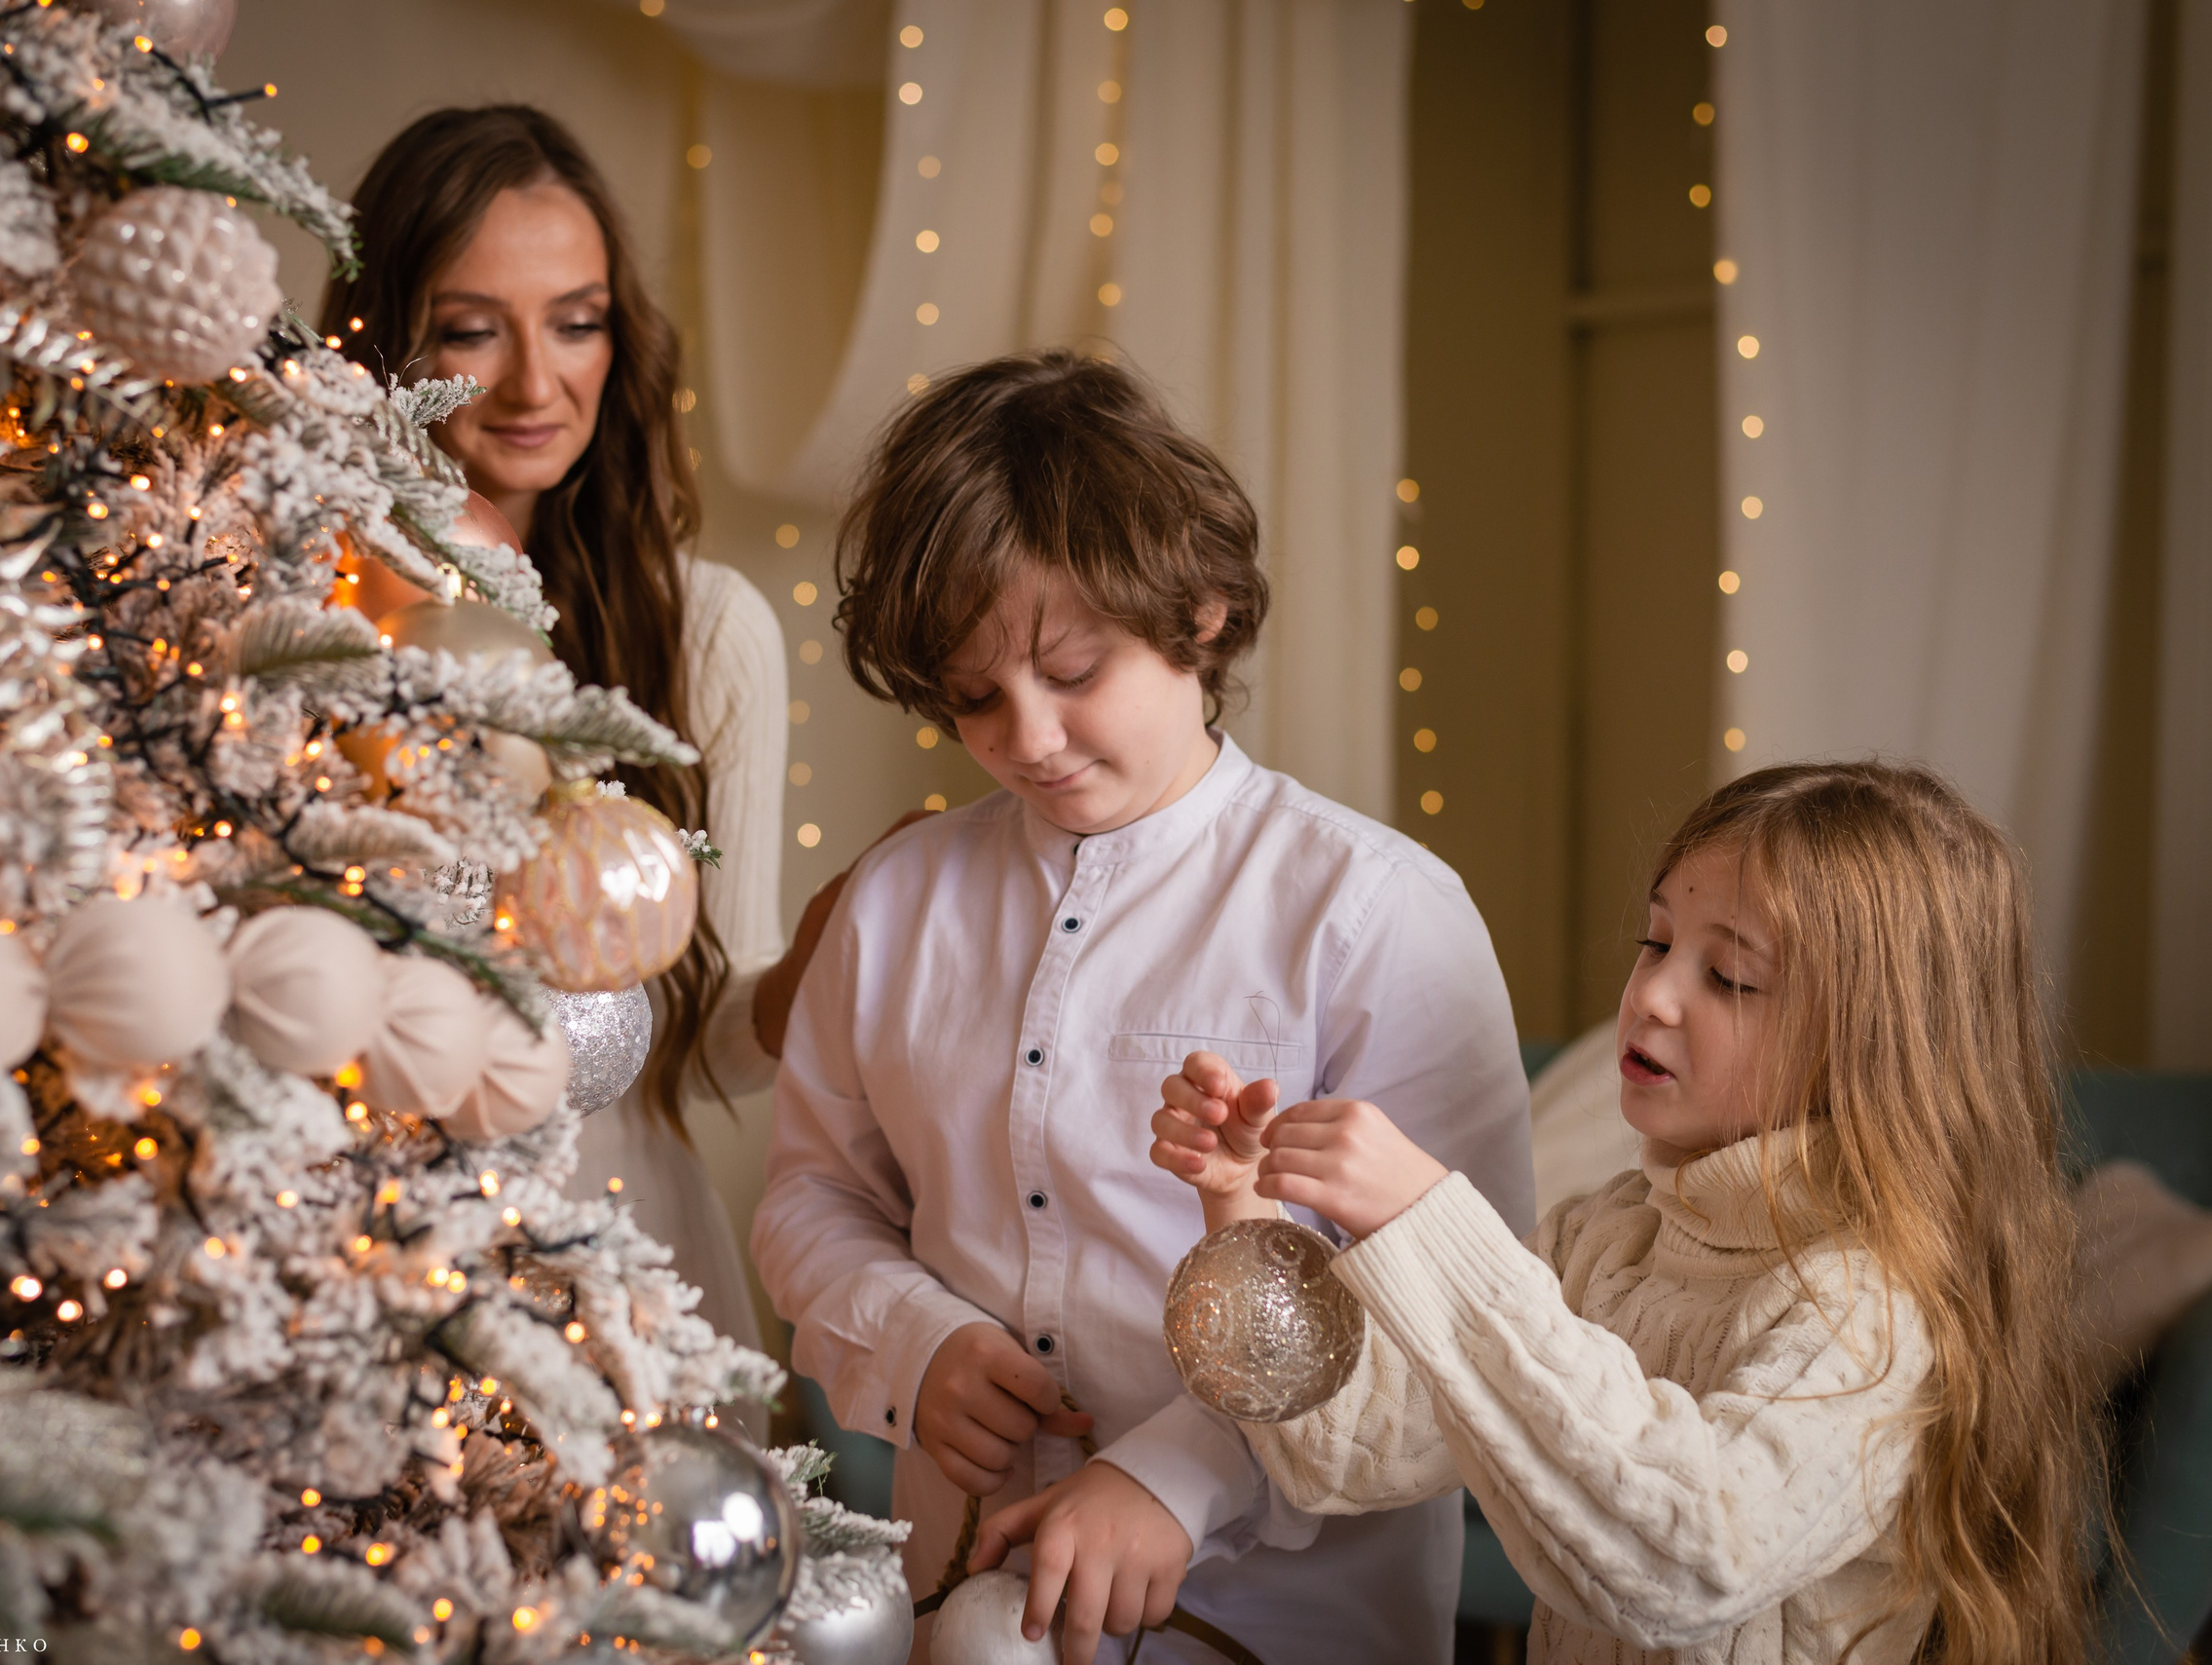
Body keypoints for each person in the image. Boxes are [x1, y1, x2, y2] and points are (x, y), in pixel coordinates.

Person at [750, 351, 1535, 1665]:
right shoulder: (893, 902)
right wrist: (913, 1341)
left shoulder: (1378, 910)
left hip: (1288, 1621)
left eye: (1072, 670)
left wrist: (1179, 1472)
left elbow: (1461, 1306)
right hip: (963, 1597)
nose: (1028, 738)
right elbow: (809, 1199)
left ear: (1200, 611)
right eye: (975, 697)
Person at [1091, 761, 2095, 1665]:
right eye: (1656, 941)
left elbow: (1682, 1561)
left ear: (1874, 1045)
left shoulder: (1873, 1304)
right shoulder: (1606, 1234)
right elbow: (1347, 1450)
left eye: (1729, 976)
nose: (1652, 994)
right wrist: (1242, 1204)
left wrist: (1431, 1223)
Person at [321, 107, 789, 1377]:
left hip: (618, 1255)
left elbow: (710, 1049)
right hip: (350, 1255)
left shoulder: (708, 631)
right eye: (472, 330)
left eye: (576, 321)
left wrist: (819, 967)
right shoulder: (299, 623)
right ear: (382, 343)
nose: (537, 383)